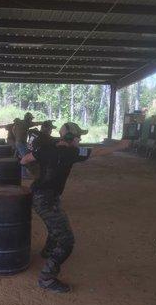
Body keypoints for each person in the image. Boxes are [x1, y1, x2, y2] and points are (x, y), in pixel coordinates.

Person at [21, 122, 130, 293]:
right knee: (67, 240)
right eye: (79, 136)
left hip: (37, 195)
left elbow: (25, 159)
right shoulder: (72, 152)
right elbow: (99, 151)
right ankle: (47, 278)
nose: (80, 140)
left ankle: (47, 252)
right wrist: (121, 146)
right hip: (47, 200)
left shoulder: (47, 148)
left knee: (55, 225)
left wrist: (39, 168)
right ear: (71, 137)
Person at [12, 112, 45, 177]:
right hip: (21, 143)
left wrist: (16, 137)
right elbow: (36, 123)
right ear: (28, 119)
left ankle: (16, 171)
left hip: (19, 142)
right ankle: (23, 174)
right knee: (25, 158)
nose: (31, 120)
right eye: (31, 119)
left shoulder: (19, 123)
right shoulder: (26, 123)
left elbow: (13, 130)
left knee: (20, 156)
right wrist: (44, 122)